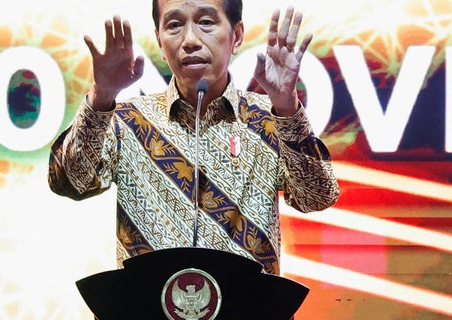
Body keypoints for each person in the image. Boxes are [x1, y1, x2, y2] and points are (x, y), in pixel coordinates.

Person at [48, 0, 339, 275]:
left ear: (236, 36)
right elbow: (70, 183)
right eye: (174, 25)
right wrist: (102, 96)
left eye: (206, 22)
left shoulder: (272, 118)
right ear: (160, 41)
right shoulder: (126, 121)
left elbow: (316, 198)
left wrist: (287, 106)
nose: (189, 40)